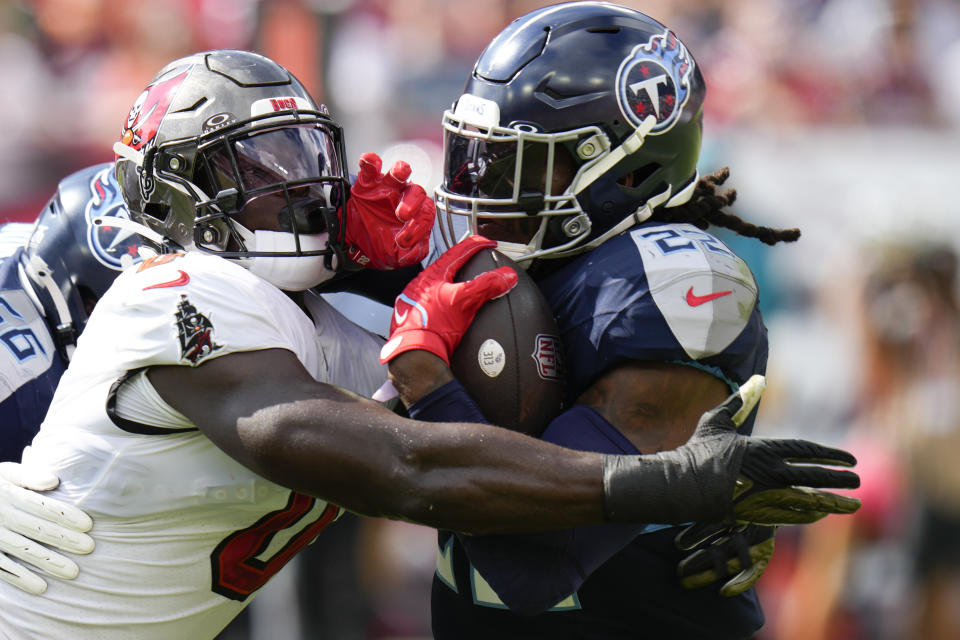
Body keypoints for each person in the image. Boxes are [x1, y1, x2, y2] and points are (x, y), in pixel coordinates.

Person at [0, 48, 858, 640]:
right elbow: (410, 466)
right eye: (246, 174)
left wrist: (671, 509)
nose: (288, 188)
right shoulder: (171, 298)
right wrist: (666, 482)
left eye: (291, 153)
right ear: (165, 216)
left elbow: (521, 412)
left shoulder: (323, 315)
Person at [395, 3, 828, 638]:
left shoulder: (670, 288)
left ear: (626, 171)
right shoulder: (523, 261)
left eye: (518, 164)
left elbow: (533, 564)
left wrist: (426, 383)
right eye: (477, 157)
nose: (480, 190)